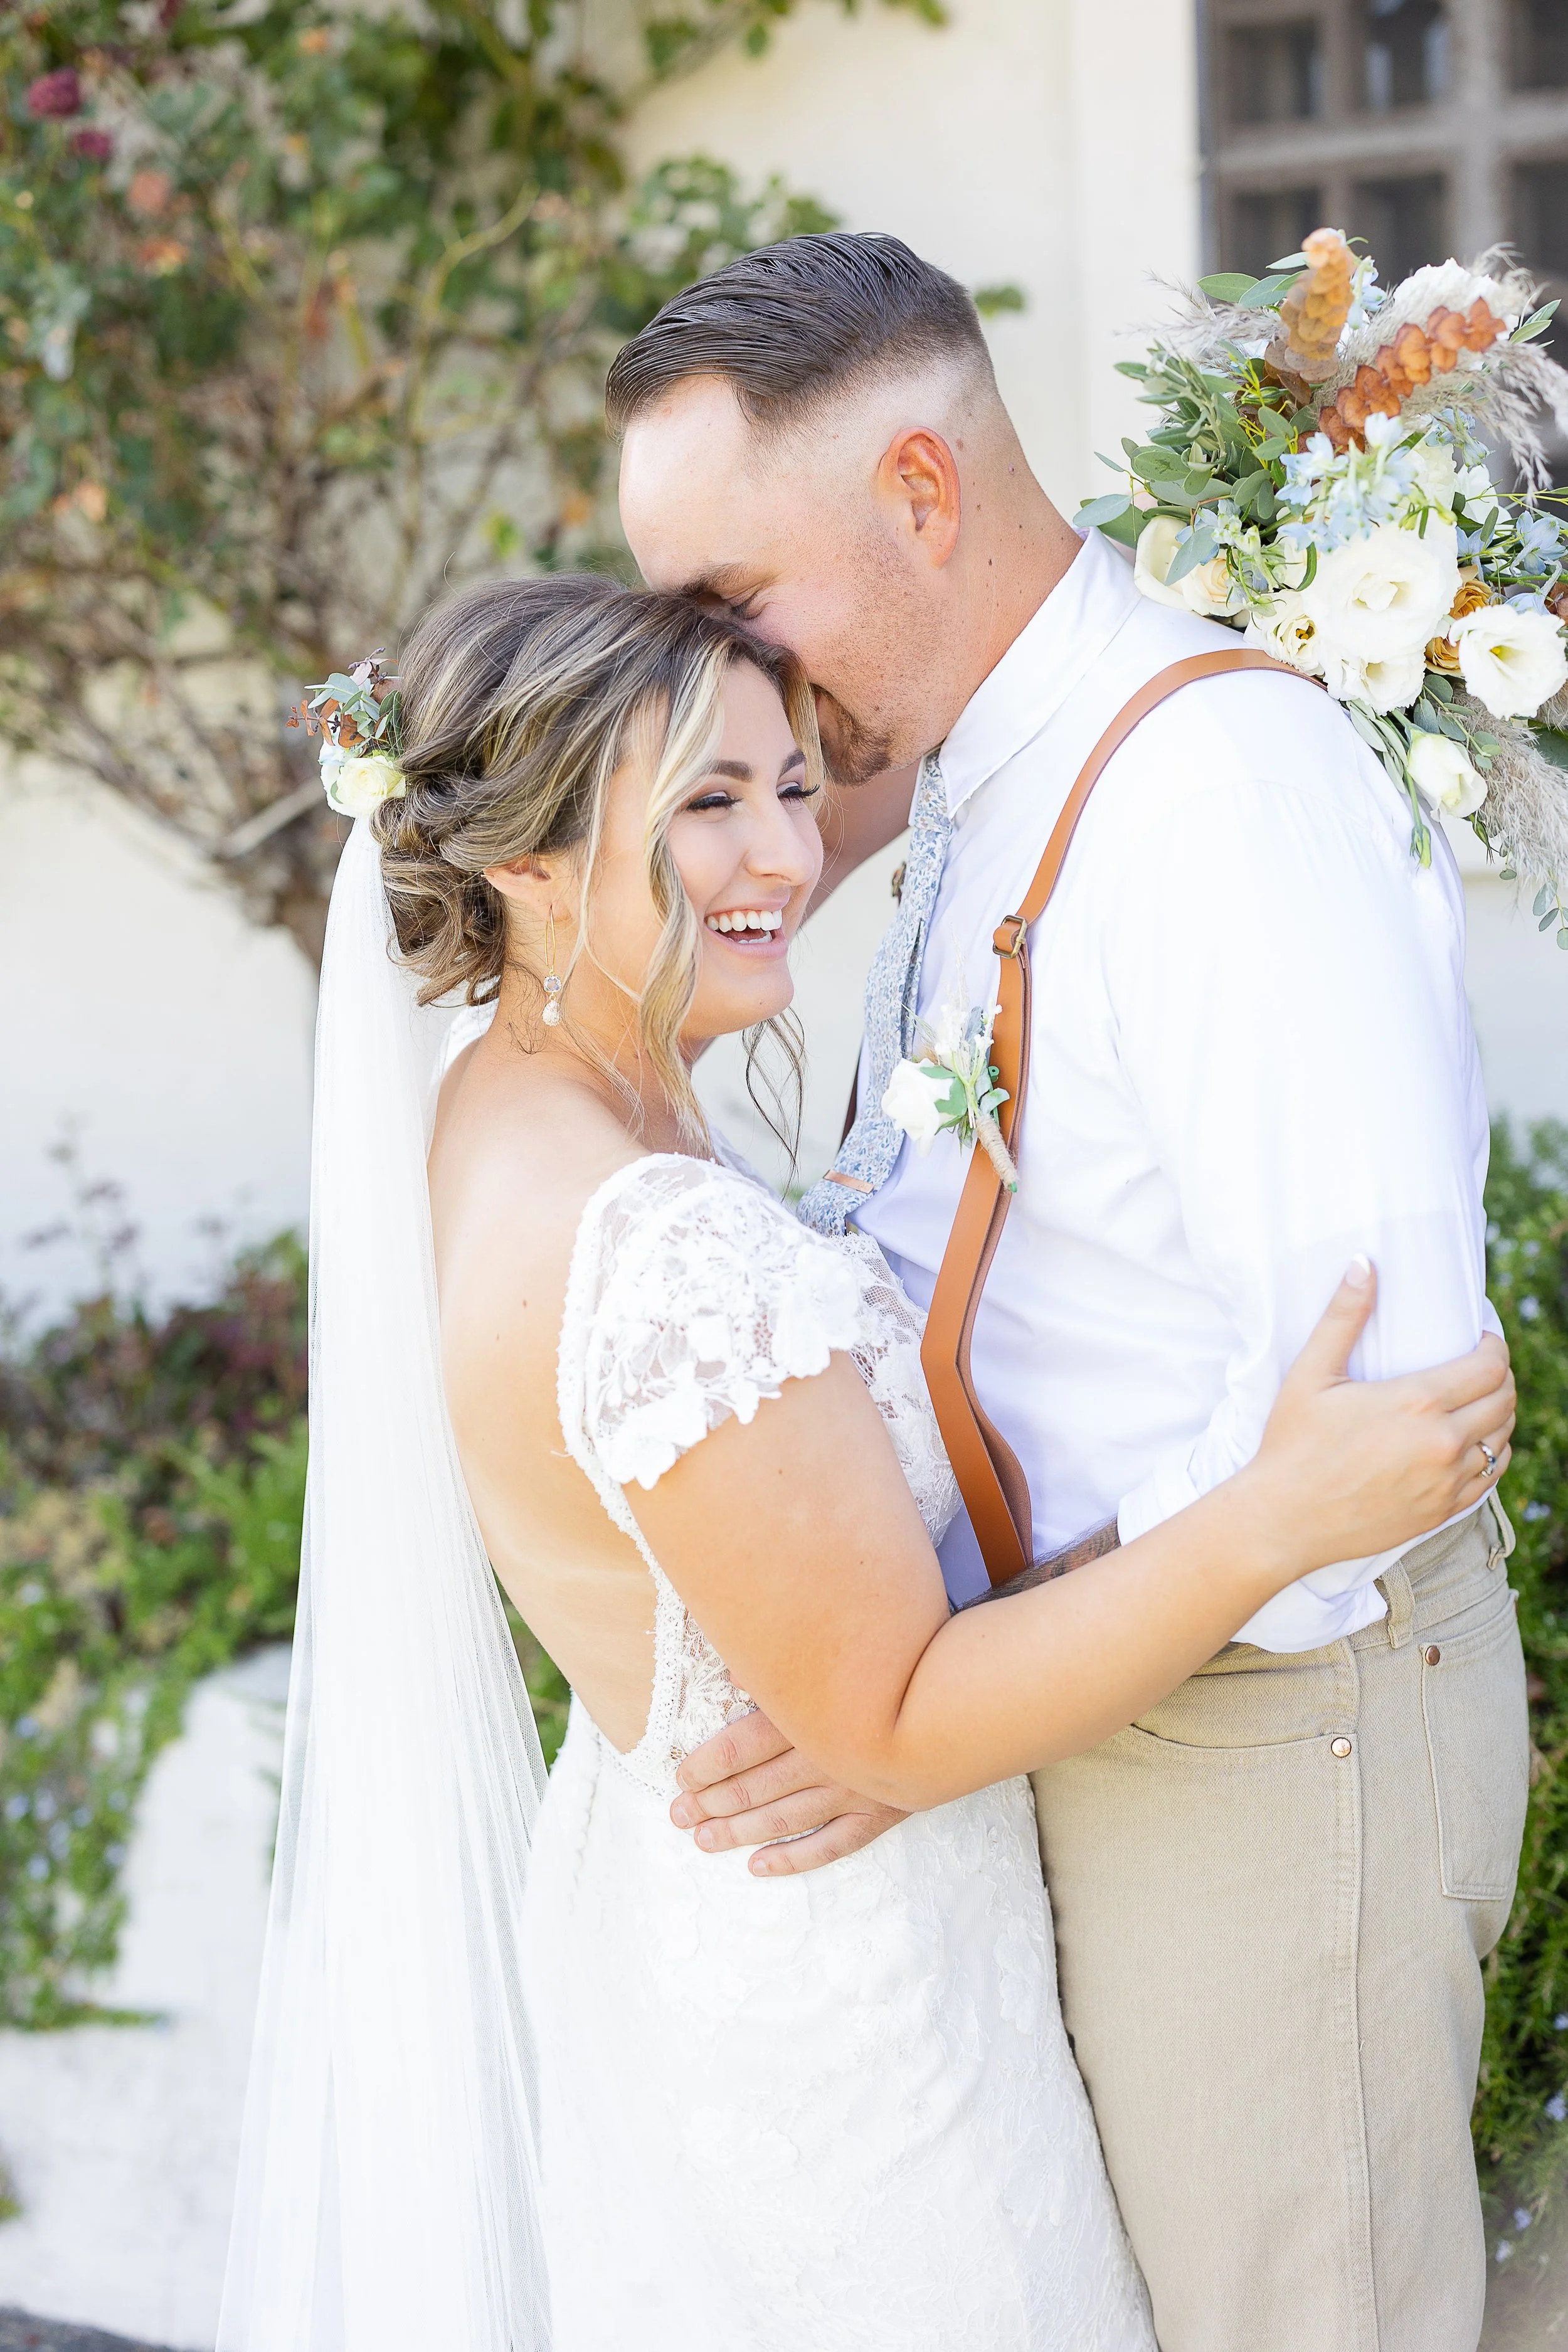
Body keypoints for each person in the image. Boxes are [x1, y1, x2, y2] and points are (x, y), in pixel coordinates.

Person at [219, 566, 1513, 2352]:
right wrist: (1271, 1515)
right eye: (702, 804)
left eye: (787, 786)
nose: (780, 858)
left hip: (691, 1922)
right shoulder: (652, 1242)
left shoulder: (505, 1095)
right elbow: (891, 1721)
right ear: (520, 863)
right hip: (848, 2009)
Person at [607, 231, 1532, 2352]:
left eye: (726, 605)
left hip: (1264, 1743)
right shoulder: (959, 753)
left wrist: (925, 1711)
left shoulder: (1214, 800)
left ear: (921, 494)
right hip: (1103, 1693)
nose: (707, 677)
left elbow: (1368, 1430)